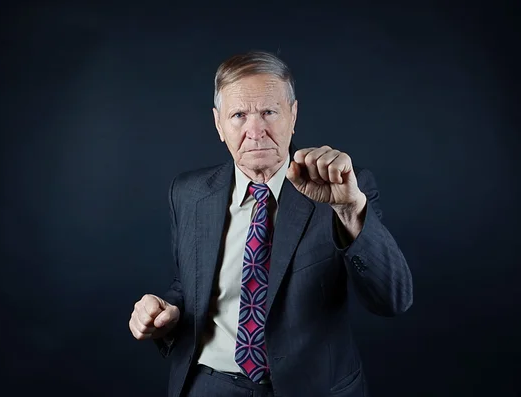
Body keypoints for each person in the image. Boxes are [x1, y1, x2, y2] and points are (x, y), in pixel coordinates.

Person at [128, 50, 413, 397]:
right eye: (238, 115)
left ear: (293, 115)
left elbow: (393, 300)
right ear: (218, 124)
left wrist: (351, 210)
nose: (255, 130)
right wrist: (168, 311)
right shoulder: (188, 193)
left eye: (268, 112)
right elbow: (189, 284)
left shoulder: (342, 189)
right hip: (208, 384)